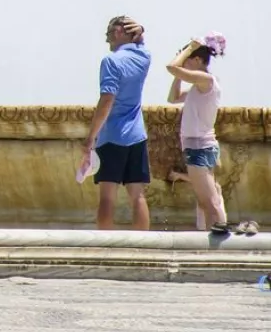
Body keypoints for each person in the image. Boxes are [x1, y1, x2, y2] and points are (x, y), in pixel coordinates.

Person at [82, 15, 153, 230]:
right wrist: (140, 31)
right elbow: (141, 45)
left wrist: (90, 137)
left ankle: (105, 246)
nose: (108, 41)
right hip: (137, 134)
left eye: (109, 34)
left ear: (120, 32)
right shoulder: (144, 57)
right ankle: (143, 245)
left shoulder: (111, 61)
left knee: (107, 196)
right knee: (137, 195)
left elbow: (107, 101)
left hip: (112, 135)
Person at [167, 32, 230, 232]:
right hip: (198, 146)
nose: (184, 62)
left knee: (210, 201)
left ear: (197, 59)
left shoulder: (206, 80)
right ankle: (214, 238)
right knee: (207, 200)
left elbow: (171, 67)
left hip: (198, 146)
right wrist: (179, 74)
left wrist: (188, 49)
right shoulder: (201, 85)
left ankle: (221, 243)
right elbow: (173, 97)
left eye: (188, 60)